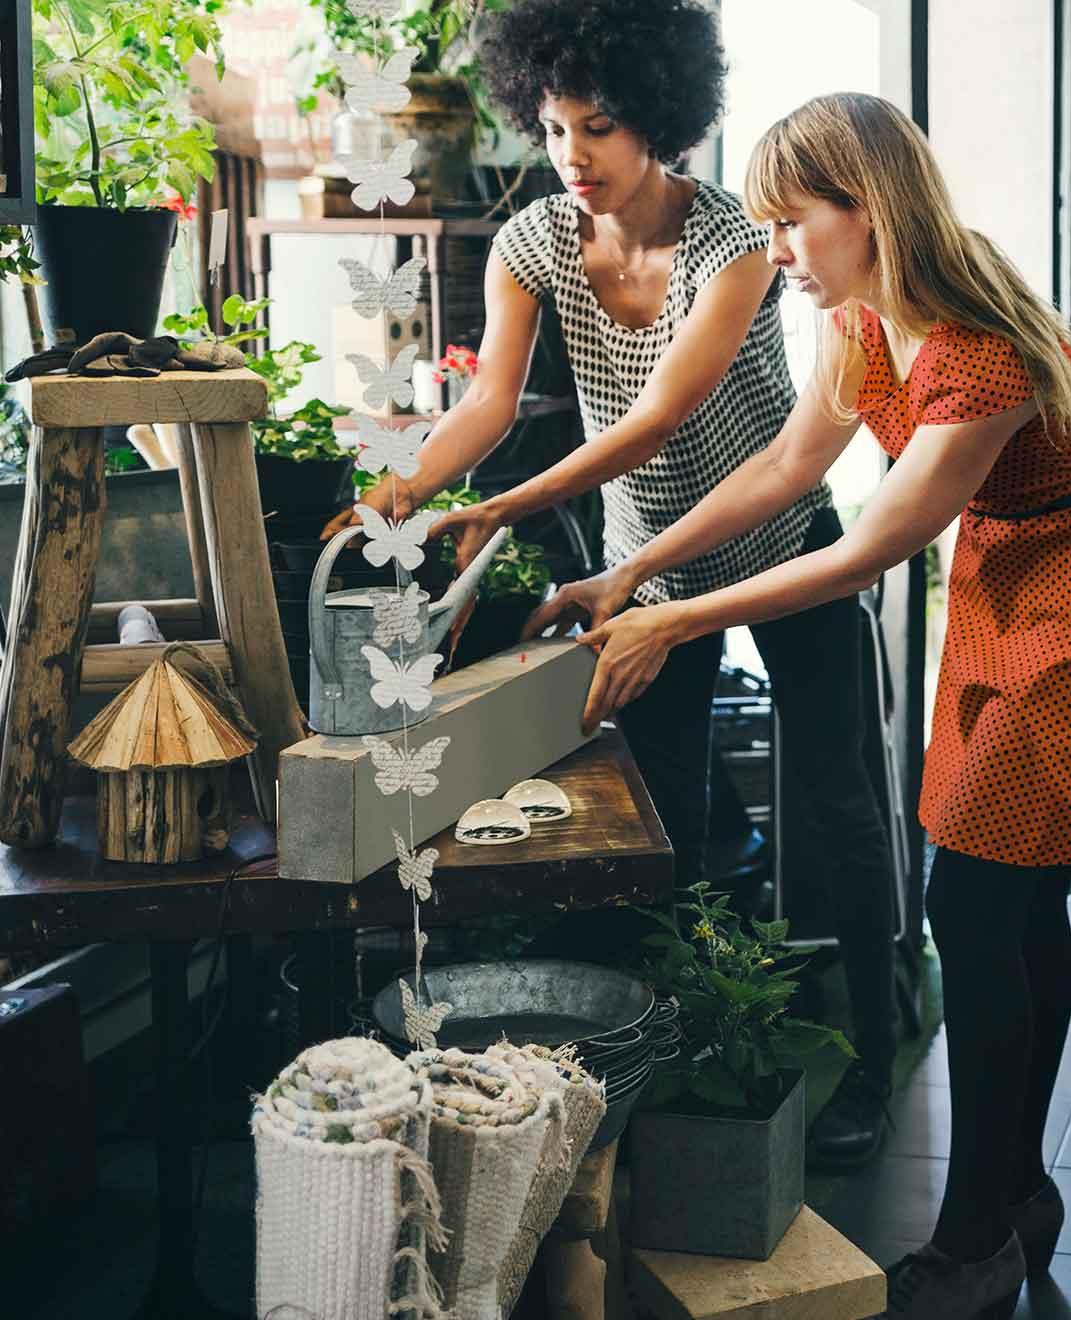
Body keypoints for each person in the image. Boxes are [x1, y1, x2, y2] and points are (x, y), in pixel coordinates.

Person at [542, 93, 1071, 1317]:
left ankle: (977, 1230)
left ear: (868, 210)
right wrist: (636, 566)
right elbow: (787, 469)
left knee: (975, 891)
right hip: (1003, 577)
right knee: (1012, 888)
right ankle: (1021, 1192)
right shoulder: (857, 323)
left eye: (791, 221)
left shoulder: (978, 346)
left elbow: (865, 549)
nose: (772, 246)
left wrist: (675, 619)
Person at [321, 0, 900, 1165]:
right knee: (661, 823)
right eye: (551, 128)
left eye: (600, 127)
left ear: (663, 123)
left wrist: (503, 507)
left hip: (783, 539)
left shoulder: (735, 237)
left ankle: (875, 1062)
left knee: (840, 802)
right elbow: (487, 404)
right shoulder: (533, 242)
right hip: (644, 559)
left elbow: (659, 416)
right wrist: (401, 492)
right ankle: (671, 1063)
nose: (572, 157)